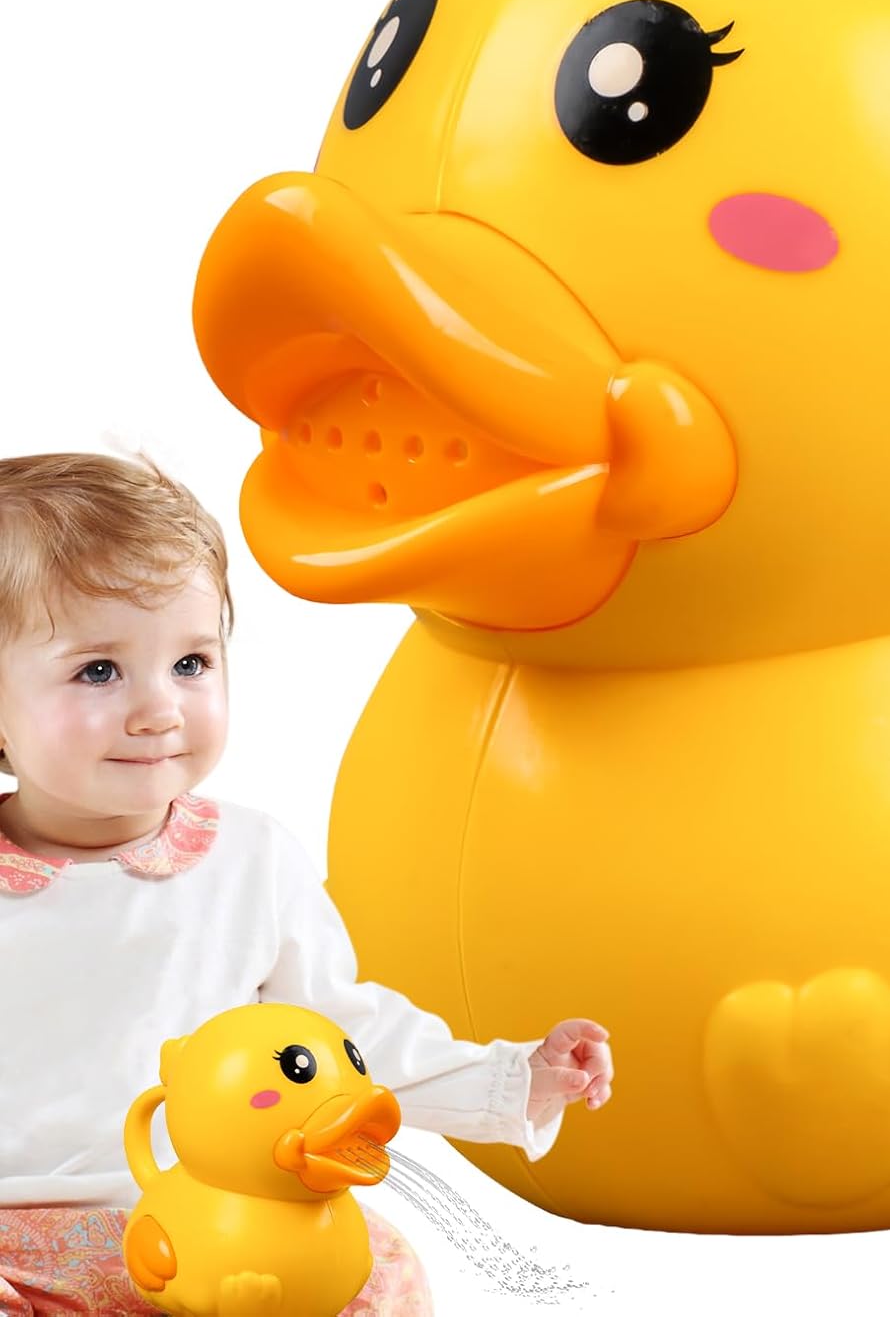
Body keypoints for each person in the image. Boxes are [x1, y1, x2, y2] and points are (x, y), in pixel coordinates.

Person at [0, 452, 614, 1316]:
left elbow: (337, 1039)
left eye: (191, 663)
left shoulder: (250, 860)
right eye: (97, 670)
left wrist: (512, 1081)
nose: (161, 709)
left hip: (220, 1219)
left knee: (378, 1267)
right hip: (14, 1241)